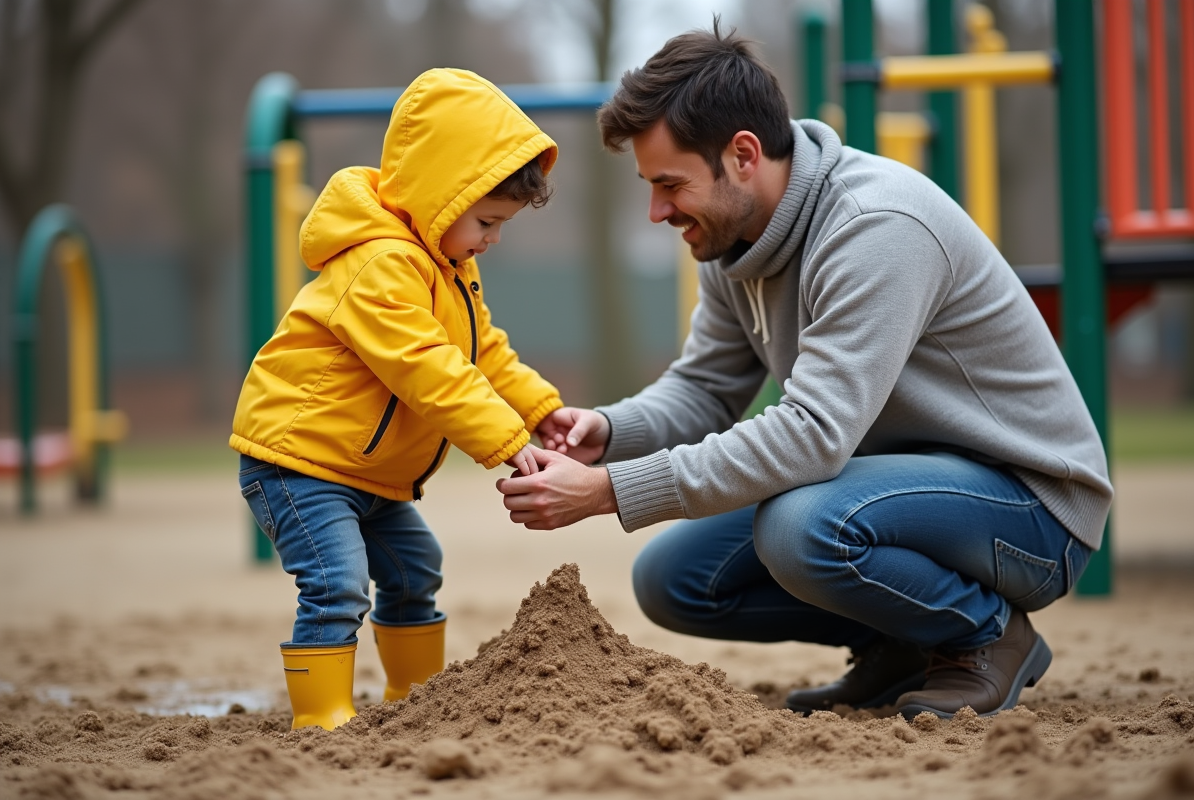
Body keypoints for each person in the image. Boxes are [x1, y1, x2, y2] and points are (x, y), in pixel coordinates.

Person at [497, 25, 1112, 720]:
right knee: (676, 579)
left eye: (670, 185)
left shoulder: (876, 225)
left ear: (743, 155)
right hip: (894, 492)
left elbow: (814, 433)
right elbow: (704, 389)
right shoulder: (737, 243)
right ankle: (906, 643)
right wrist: (605, 433)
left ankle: (987, 636)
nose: (658, 211)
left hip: (1031, 508)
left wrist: (609, 490)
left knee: (800, 527)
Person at [230, 68, 562, 730]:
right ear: (442, 196)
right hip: (302, 463)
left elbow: (483, 350)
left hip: (371, 473)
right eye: (487, 221)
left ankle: (416, 700)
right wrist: (508, 443)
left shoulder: (451, 269)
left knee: (415, 571)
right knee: (337, 583)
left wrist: (540, 410)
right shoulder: (381, 263)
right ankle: (320, 716)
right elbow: (426, 368)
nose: (490, 240)